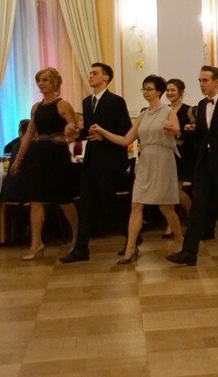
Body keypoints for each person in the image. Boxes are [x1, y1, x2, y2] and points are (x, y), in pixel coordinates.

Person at [90, 74, 182, 263]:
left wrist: (173, 130)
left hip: (163, 159)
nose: (145, 92)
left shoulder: (168, 111)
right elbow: (125, 140)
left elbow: (176, 130)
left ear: (158, 91)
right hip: (146, 159)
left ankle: (180, 240)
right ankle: (130, 249)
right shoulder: (142, 115)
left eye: (149, 89)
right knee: (136, 204)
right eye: (144, 89)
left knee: (165, 206)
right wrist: (103, 132)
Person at [167, 66, 218, 266]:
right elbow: (201, 134)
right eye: (199, 80)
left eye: (205, 80)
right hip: (205, 161)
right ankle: (189, 252)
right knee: (198, 205)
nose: (201, 84)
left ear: (217, 81)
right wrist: (179, 132)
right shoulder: (201, 105)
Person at [61, 62, 132, 264]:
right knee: (86, 203)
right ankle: (81, 249)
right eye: (90, 73)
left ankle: (131, 236)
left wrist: (104, 136)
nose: (90, 76)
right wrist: (76, 134)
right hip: (92, 159)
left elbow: (126, 130)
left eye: (94, 73)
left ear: (106, 77)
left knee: (109, 202)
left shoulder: (116, 101)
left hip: (111, 160)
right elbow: (89, 131)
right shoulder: (87, 102)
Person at [10, 68, 79, 261]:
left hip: (57, 155)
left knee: (64, 199)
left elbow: (74, 130)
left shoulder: (63, 105)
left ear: (54, 83)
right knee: (35, 199)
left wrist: (70, 129)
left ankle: (76, 236)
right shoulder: (36, 108)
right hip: (39, 155)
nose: (41, 83)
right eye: (39, 80)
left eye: (45, 80)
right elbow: (28, 135)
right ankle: (36, 243)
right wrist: (18, 159)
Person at [164, 78, 194, 236]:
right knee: (168, 191)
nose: (169, 93)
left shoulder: (189, 110)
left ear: (180, 92)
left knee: (176, 190)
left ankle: (192, 214)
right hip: (166, 152)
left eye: (173, 90)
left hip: (182, 154)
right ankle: (172, 224)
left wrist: (181, 132)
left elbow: (193, 133)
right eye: (167, 90)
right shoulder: (164, 110)